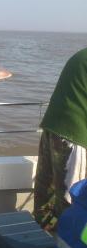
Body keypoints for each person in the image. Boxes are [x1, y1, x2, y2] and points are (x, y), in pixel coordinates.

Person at [34, 47, 87, 231]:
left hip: (53, 130)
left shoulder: (80, 56)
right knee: (73, 201)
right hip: (74, 138)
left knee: (45, 198)